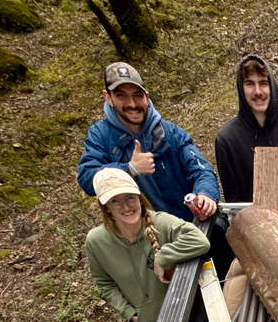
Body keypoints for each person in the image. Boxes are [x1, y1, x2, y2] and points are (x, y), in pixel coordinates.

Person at [78, 62, 220, 225]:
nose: (132, 104)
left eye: (137, 95)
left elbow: (202, 170)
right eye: (121, 95)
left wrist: (206, 193)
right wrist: (130, 169)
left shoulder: (171, 133)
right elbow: (87, 178)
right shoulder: (100, 136)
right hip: (144, 239)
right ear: (108, 97)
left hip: (191, 228)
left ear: (146, 96)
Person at [85, 168, 210, 322]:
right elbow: (104, 283)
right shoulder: (96, 241)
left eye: (130, 197)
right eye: (115, 201)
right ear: (106, 208)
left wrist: (163, 257)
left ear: (139, 198)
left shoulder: (160, 222)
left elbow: (200, 241)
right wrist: (130, 314)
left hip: (188, 316)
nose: (126, 207)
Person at [215, 54, 278, 203]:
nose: (258, 92)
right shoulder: (226, 140)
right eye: (250, 84)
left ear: (272, 87)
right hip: (250, 221)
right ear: (241, 88)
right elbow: (234, 201)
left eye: (263, 83)